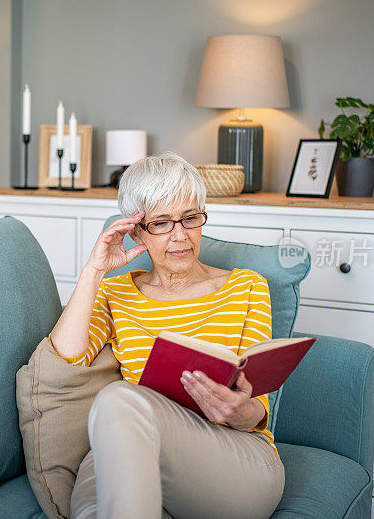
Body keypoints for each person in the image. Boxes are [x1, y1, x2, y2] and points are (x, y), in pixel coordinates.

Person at [47, 151, 285, 519]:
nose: (180, 236)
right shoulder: (116, 292)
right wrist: (94, 270)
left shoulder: (246, 287)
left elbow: (259, 410)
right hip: (137, 441)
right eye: (160, 223)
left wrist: (241, 410)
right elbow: (66, 357)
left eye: (190, 218)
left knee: (118, 398)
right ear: (136, 230)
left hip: (236, 455)